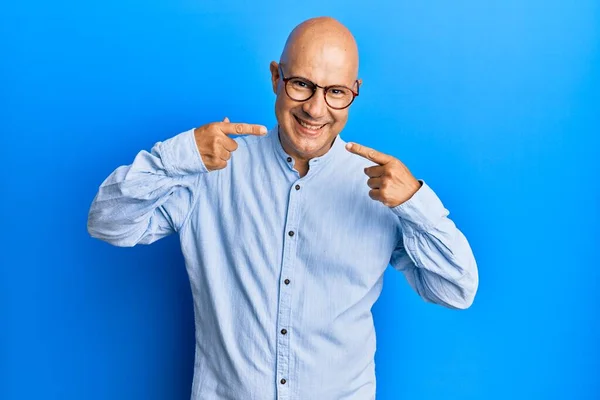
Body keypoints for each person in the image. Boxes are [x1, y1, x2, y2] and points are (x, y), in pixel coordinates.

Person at [87, 16, 478, 400]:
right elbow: (107, 222)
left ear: (354, 91)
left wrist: (414, 203)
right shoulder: (211, 168)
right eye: (302, 85)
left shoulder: (382, 188)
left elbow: (456, 289)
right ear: (276, 77)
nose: (316, 109)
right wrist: (179, 156)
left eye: (336, 92)